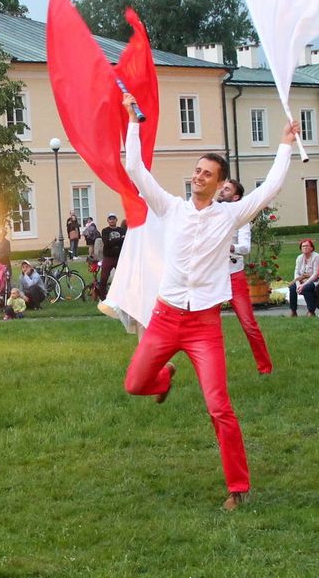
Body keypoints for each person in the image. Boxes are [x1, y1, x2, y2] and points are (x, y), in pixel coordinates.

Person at [121, 92, 295, 511]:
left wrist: (285, 145)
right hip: (164, 318)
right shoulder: (171, 208)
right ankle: (166, 377)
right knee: (136, 384)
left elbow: (269, 188)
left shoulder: (230, 216)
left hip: (203, 326)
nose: (198, 176)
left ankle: (237, 488)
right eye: (197, 171)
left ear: (220, 184)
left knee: (219, 406)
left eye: (207, 173)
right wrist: (133, 120)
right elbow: (134, 168)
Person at [217, 179, 273, 375]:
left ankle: (265, 367)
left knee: (249, 324)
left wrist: (229, 247)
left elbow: (246, 247)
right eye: (222, 188)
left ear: (236, 197)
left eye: (226, 189)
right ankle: (213, 370)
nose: (221, 191)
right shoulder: (211, 213)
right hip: (212, 278)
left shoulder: (241, 219)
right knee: (208, 327)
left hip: (234, 276)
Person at [288, 239, 319, 316]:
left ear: (311, 248)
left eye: (307, 246)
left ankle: (311, 311)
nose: (305, 248)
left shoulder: (316, 256)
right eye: (303, 246)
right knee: (292, 288)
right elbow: (296, 272)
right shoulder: (299, 258)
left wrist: (303, 285)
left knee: (306, 288)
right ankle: (293, 311)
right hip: (302, 280)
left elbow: (315, 274)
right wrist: (298, 285)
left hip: (316, 281)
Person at [96, 213, 125, 300]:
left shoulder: (122, 230)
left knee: (123, 277)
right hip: (108, 257)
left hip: (119, 257)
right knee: (104, 278)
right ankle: (102, 297)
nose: (112, 220)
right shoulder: (105, 230)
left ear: (116, 220)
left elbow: (125, 242)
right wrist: (119, 240)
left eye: (113, 218)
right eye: (110, 219)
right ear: (108, 220)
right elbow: (107, 243)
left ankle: (123, 296)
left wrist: (112, 240)